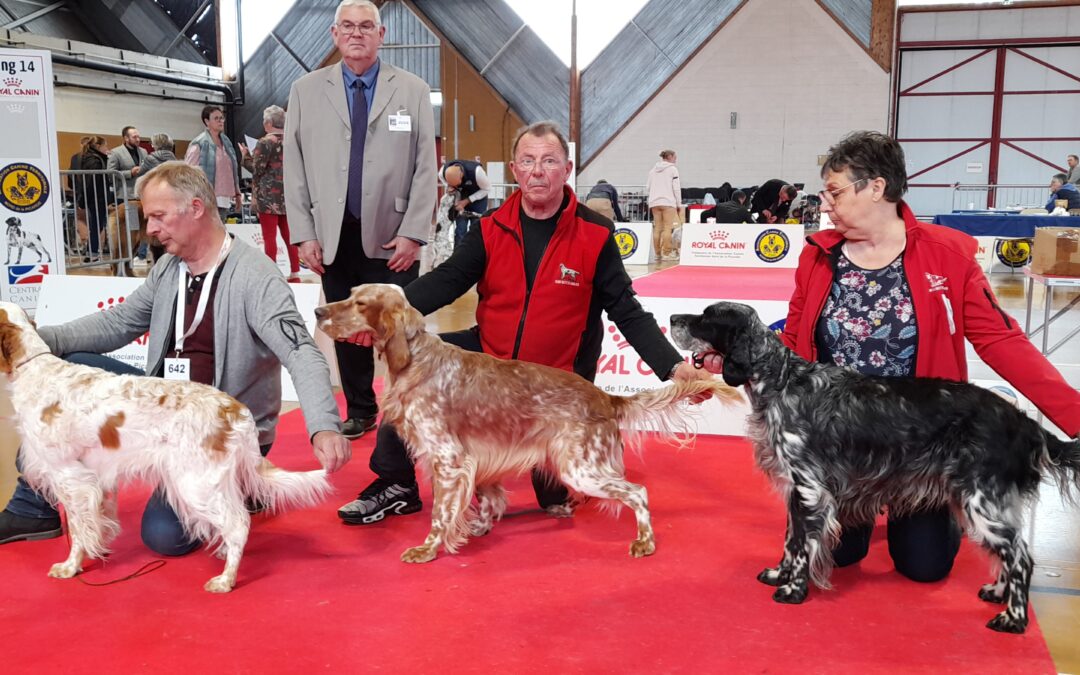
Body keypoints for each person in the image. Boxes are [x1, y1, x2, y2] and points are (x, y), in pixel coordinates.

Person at [704, 130, 1080, 583]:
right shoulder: (818, 256)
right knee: (839, 556)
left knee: (925, 567)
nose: (825, 203)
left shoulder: (947, 254)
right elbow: (795, 341)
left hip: (921, 440)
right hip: (840, 440)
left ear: (876, 187)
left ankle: (936, 514)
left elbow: (1003, 342)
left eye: (836, 191)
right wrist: (733, 356)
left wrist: (1074, 417)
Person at [333, 121, 714, 525]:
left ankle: (538, 468)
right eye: (528, 161)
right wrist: (380, 315)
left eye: (549, 161)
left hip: (556, 374)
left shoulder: (595, 233)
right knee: (414, 376)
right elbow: (445, 282)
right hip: (491, 358)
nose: (537, 171)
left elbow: (626, 309)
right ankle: (395, 484)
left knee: (559, 494)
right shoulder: (489, 227)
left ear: (566, 171)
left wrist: (674, 368)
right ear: (515, 170)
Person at [0, 161, 350, 551]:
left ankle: (243, 481)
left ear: (196, 208)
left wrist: (323, 424)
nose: (149, 229)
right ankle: (32, 508)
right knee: (71, 369)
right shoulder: (168, 268)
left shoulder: (257, 277)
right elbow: (119, 322)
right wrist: (36, 339)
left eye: (158, 216)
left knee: (165, 538)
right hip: (162, 407)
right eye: (148, 218)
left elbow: (301, 352)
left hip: (214, 425)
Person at [284, 0, 437, 440]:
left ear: (381, 33)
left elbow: (427, 166)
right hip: (332, 236)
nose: (357, 33)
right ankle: (361, 408)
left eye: (366, 26)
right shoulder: (304, 91)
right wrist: (304, 235)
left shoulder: (411, 89)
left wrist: (413, 232)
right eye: (347, 26)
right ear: (334, 35)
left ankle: (407, 408)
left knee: (401, 331)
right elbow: (293, 168)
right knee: (348, 328)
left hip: (394, 238)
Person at [244, 105, 300, 281]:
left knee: (269, 237)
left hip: (268, 198)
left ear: (268, 123)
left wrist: (245, 155)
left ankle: (272, 275)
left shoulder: (265, 142)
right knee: (289, 237)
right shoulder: (292, 140)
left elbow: (256, 169)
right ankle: (295, 273)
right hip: (288, 196)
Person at [184, 105, 246, 220]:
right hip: (205, 196)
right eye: (216, 118)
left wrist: (237, 193)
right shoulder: (199, 143)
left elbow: (232, 171)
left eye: (222, 118)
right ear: (207, 121)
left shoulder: (226, 142)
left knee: (219, 229)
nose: (220, 121)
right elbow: (188, 172)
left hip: (224, 196)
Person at [138, 133, 178, 265]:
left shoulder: (150, 159)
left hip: (154, 198)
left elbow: (141, 175)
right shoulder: (175, 160)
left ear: (155, 145)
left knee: (151, 232)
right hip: (171, 199)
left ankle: (150, 260)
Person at [75, 135, 111, 262]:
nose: (107, 148)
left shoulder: (94, 157)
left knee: (97, 225)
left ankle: (91, 251)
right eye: (105, 145)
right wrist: (83, 200)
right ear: (98, 146)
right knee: (96, 225)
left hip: (96, 196)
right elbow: (90, 182)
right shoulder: (93, 160)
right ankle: (92, 252)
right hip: (96, 197)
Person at [440, 158, 490, 246]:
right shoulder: (442, 172)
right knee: (460, 230)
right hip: (461, 195)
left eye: (457, 184)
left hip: (479, 198)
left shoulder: (477, 172)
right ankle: (458, 257)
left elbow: (487, 189)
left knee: (476, 230)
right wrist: (451, 188)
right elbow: (444, 181)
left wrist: (467, 201)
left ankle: (476, 256)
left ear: (461, 175)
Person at [646, 149, 681, 260]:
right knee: (667, 228)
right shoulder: (673, 170)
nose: (676, 159)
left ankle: (657, 254)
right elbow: (676, 188)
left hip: (654, 202)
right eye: (675, 156)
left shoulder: (652, 171)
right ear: (670, 156)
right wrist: (678, 203)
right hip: (668, 202)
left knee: (657, 228)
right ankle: (667, 253)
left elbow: (648, 187)